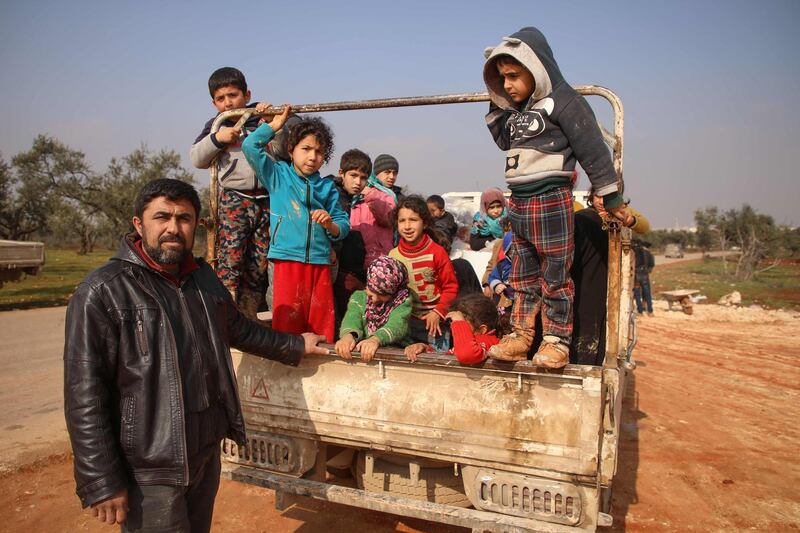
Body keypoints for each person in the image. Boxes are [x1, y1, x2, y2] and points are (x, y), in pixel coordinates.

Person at [63, 179, 327, 532]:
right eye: (162, 217)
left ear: (195, 226)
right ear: (138, 224)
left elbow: (239, 329)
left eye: (184, 219)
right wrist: (101, 479)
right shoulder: (103, 291)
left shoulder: (202, 278)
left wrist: (296, 345)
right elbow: (84, 394)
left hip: (203, 451)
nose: (173, 228)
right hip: (151, 466)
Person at [482, 26, 627, 367]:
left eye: (514, 76)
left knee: (556, 277)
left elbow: (592, 149)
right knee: (521, 276)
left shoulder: (565, 102)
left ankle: (556, 341)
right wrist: (497, 99)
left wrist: (612, 197)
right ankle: (520, 335)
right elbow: (503, 141)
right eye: (502, 78)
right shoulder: (515, 111)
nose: (508, 85)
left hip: (551, 201)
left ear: (538, 68)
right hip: (518, 204)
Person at [190, 67, 296, 319]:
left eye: (233, 95)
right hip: (235, 199)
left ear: (247, 95)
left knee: (258, 263)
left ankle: (247, 319)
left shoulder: (262, 116)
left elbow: (283, 151)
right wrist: (218, 138)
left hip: (267, 200)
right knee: (230, 260)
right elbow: (197, 158)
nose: (228, 102)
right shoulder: (217, 124)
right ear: (214, 103)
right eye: (221, 98)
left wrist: (272, 126)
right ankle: (223, 317)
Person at [243, 104, 349, 343]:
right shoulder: (277, 174)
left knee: (321, 323)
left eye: (320, 152)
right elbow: (250, 146)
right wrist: (273, 126)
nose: (313, 157)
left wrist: (331, 226)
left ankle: (322, 374)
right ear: (291, 150)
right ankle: (288, 371)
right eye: (306, 149)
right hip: (286, 260)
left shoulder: (327, 187)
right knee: (288, 323)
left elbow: (343, 224)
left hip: (320, 262)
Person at [389, 195, 459, 344]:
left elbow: (451, 288)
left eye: (413, 220)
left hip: (436, 319)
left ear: (425, 223)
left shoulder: (437, 252)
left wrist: (438, 312)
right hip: (408, 320)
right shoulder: (393, 256)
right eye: (402, 221)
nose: (407, 226)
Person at [335, 256, 412, 362]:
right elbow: (352, 319)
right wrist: (348, 336)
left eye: (382, 294)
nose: (375, 299)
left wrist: (376, 339)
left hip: (396, 350)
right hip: (365, 350)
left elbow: (397, 325)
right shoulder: (359, 297)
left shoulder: (402, 301)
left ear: (394, 291)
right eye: (371, 294)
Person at [330, 149, 370, 330]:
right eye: (353, 175)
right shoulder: (333, 194)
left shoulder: (347, 198)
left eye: (363, 177)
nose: (357, 182)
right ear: (341, 173)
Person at [404, 293, 500, 365]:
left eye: (463, 323)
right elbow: (449, 355)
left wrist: (459, 323)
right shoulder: (470, 342)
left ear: (482, 330)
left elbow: (466, 355)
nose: (453, 326)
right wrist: (426, 349)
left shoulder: (489, 342)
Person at [351, 154, 398, 270]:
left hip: (380, 258)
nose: (392, 176)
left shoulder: (389, 197)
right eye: (387, 172)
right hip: (355, 257)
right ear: (376, 172)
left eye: (395, 173)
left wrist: (370, 194)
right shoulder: (355, 192)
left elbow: (388, 219)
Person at [633, 240, 655, 316]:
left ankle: (640, 311)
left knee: (637, 294)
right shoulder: (648, 253)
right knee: (647, 293)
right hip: (644, 275)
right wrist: (647, 271)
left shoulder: (633, 252)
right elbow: (651, 264)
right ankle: (650, 311)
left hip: (636, 275)